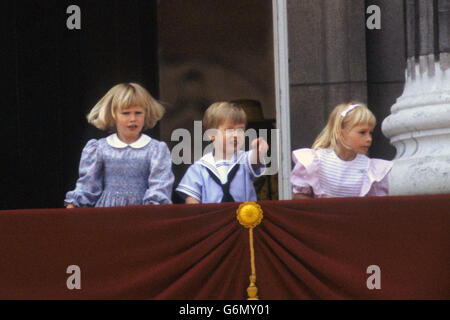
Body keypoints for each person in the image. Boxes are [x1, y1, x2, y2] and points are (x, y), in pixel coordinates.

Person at [65, 82, 174, 207]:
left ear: (146, 113)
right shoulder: (99, 148)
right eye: (126, 113)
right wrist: (73, 205)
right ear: (113, 115)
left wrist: (151, 211)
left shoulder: (156, 149)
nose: (132, 118)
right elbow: (88, 186)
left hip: (142, 214)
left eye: (138, 113)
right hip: (107, 215)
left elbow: (160, 186)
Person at [290, 102, 392, 199]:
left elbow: (374, 205)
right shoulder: (315, 161)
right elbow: (300, 198)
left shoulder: (370, 169)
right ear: (340, 133)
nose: (369, 139)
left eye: (370, 133)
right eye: (362, 132)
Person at [176, 101, 269, 203]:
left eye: (240, 130)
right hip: (213, 218)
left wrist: (258, 150)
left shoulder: (244, 160)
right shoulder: (199, 168)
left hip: (244, 217)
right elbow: (192, 200)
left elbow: (255, 162)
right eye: (229, 130)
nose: (235, 135)